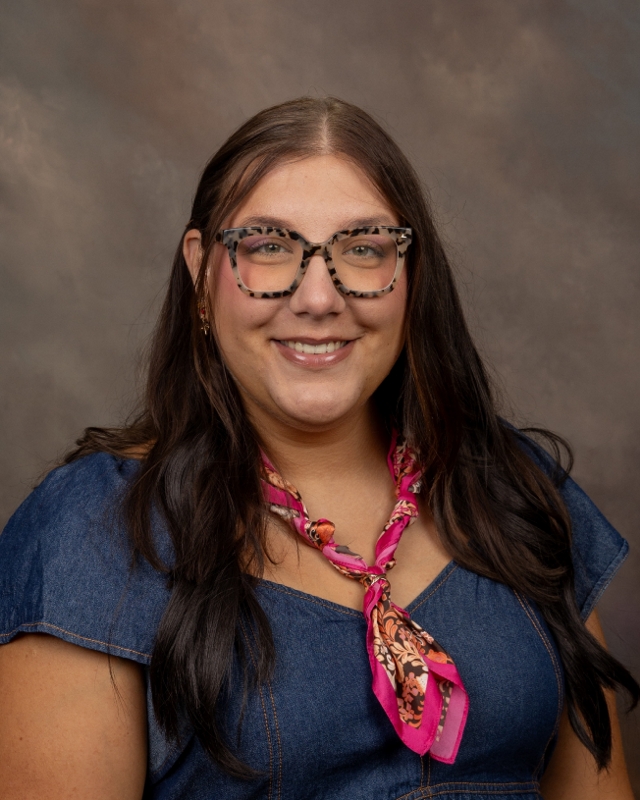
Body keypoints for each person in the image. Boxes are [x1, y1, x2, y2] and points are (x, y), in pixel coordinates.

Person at [0, 96, 637, 800]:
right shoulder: (94, 534)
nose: (317, 298)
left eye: (362, 249)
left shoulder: (514, 492)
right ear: (202, 275)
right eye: (268, 246)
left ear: (410, 275)